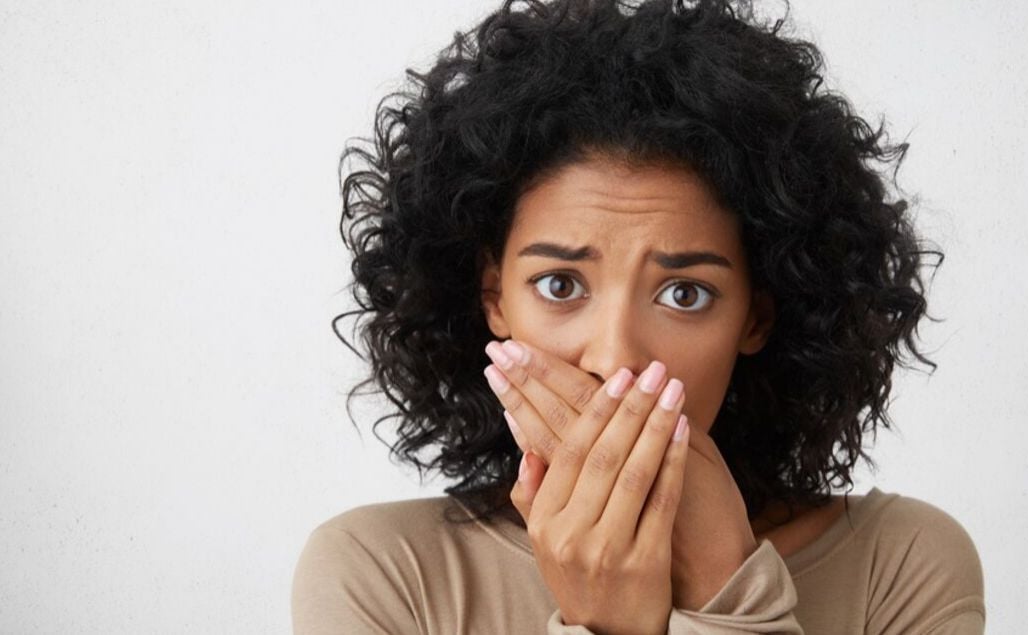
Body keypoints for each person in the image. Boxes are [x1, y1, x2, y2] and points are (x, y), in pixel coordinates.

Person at [292, 0, 985, 632]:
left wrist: (726, 589)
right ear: (494, 298)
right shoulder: (382, 576)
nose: (615, 355)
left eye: (685, 293)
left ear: (757, 317)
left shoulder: (903, 566)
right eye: (561, 283)